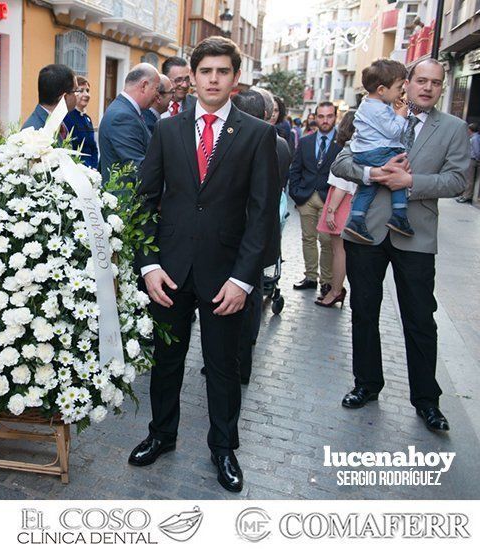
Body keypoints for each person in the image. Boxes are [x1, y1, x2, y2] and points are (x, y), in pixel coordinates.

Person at [128, 36, 280, 493]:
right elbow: (143, 200)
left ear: (235, 79)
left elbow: (262, 215)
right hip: (170, 272)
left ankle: (224, 448)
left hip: (225, 277)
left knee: (223, 366)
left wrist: (244, 280)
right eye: (205, 71)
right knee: (167, 361)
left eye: (222, 71)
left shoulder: (257, 134)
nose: (213, 79)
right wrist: (148, 263)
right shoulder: (167, 130)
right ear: (191, 78)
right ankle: (161, 435)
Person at [331, 58, 470, 432]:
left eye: (435, 83)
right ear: (405, 84)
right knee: (363, 310)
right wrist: (371, 173)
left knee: (421, 319)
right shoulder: (373, 112)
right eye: (420, 80)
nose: (427, 88)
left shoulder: (454, 129)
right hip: (367, 233)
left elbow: (457, 180)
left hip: (416, 236)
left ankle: (427, 400)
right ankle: (366, 384)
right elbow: (343, 160)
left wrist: (410, 182)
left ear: (442, 88)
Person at [231, 89, 291, 383]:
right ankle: (242, 357)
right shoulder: (279, 144)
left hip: (242, 233)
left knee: (244, 295)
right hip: (257, 235)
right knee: (251, 294)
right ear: (266, 115)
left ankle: (237, 360)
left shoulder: (266, 144)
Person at [344, 59, 412, 244]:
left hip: (364, 153)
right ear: (382, 89)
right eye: (399, 87)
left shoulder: (367, 105)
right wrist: (400, 116)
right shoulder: (379, 109)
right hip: (378, 151)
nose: (401, 92)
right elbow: (394, 131)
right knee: (399, 174)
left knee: (368, 187)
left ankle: (356, 219)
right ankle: (399, 214)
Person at [288, 101, 341, 298]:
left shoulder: (342, 143)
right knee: (308, 239)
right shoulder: (305, 141)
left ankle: (326, 282)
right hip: (307, 197)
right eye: (321, 116)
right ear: (315, 118)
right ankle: (310, 277)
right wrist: (296, 192)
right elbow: (295, 169)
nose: (325, 120)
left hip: (330, 200)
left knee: (327, 242)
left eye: (329, 116)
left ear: (335, 117)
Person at [315, 111, 357, 308]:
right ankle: (336, 288)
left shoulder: (349, 151)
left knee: (339, 251)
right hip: (347, 202)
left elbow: (342, 183)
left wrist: (331, 210)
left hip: (340, 203)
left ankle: (335, 290)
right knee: (339, 250)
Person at [98, 63, 160, 182]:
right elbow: (138, 167)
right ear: (144, 86)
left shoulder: (126, 110)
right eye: (156, 89)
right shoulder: (122, 117)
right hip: (125, 197)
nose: (157, 96)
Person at [21, 64, 78, 134]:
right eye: (76, 91)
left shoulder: (57, 121)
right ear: (64, 97)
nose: (77, 95)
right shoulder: (33, 133)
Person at [63, 76, 99, 169]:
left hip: (92, 170)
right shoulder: (67, 117)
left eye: (87, 90)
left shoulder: (87, 119)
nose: (86, 94)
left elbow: (93, 148)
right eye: (81, 90)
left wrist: (94, 167)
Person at [456, 123, 479, 203]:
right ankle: (465, 194)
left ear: (470, 129)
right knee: (468, 178)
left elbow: (476, 151)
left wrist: (477, 159)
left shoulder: (475, 138)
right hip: (472, 159)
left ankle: (467, 195)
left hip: (473, 160)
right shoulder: (474, 137)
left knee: (469, 179)